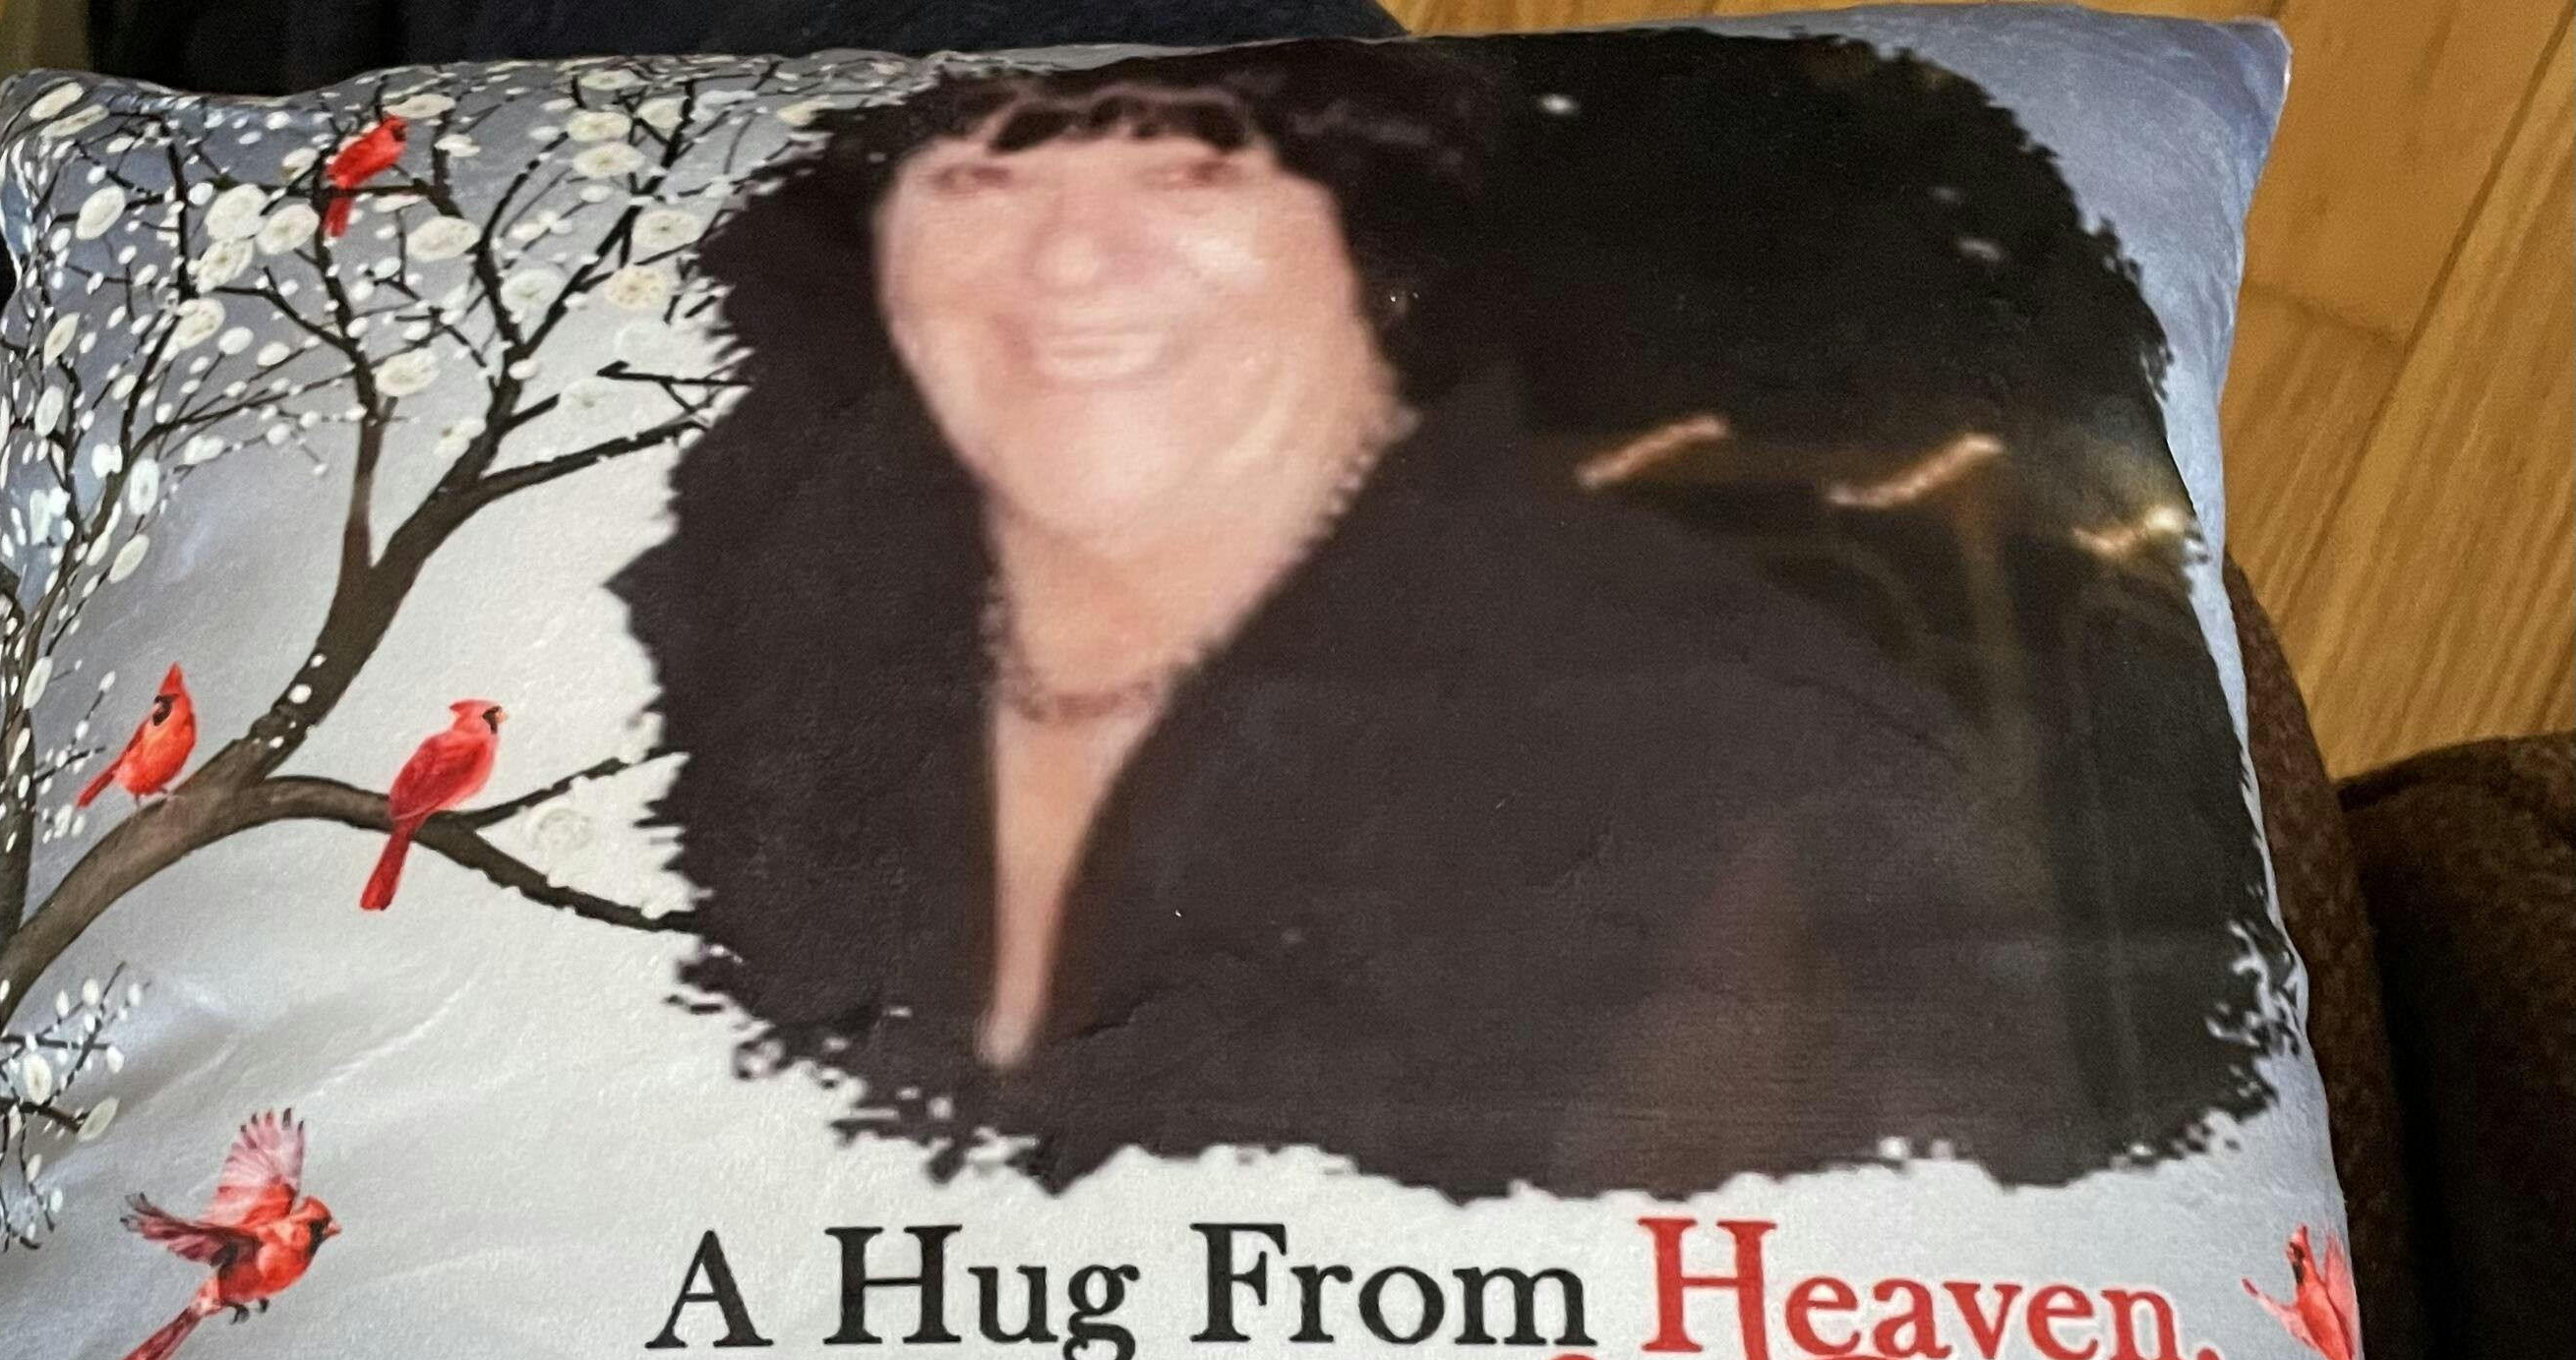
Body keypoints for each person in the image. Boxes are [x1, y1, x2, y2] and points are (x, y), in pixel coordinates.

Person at [624, 41, 2274, 1200]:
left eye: (1188, 185)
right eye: (986, 188)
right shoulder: (758, 636)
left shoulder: (1717, 739)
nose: (1071, 265)